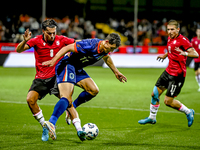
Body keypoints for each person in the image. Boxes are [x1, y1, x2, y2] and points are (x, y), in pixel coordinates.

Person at [42, 33, 127, 141]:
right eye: (111, 48)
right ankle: (51, 123)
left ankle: (70, 110)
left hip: (77, 68)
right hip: (67, 65)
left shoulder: (104, 50)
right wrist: (54, 60)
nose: (111, 51)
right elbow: (67, 47)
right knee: (67, 97)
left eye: (113, 49)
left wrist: (116, 72)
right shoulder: (90, 45)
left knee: (93, 90)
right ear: (106, 43)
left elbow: (106, 57)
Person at [16, 19, 78, 141]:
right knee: (30, 100)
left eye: (54, 32)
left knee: (67, 101)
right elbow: (18, 50)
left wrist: (94, 45)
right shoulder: (36, 40)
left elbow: (78, 44)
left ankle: (80, 130)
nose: (52, 35)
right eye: (49, 33)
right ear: (43, 31)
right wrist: (25, 41)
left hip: (57, 77)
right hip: (41, 78)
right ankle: (45, 126)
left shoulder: (62, 39)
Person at [138, 20, 199, 127]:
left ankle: (188, 112)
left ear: (178, 29)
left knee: (168, 101)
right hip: (168, 71)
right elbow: (172, 49)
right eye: (168, 29)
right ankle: (152, 118)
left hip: (177, 75)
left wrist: (184, 53)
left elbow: (195, 54)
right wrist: (165, 55)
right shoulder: (170, 38)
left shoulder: (183, 40)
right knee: (154, 94)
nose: (169, 32)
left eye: (172, 29)